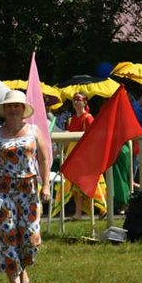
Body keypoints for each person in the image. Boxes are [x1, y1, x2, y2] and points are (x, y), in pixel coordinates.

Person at [0, 90, 51, 283]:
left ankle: (22, 268)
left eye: (17, 106)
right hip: (3, 190)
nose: (13, 109)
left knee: (30, 237)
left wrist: (45, 185)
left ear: (23, 110)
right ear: (4, 109)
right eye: (9, 106)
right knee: (6, 234)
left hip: (28, 190)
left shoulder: (34, 131)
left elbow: (44, 159)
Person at [56, 92, 106, 220]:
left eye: (79, 100)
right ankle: (78, 213)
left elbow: (94, 138)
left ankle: (101, 209)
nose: (77, 102)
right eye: (74, 100)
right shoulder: (71, 119)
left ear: (85, 102)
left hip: (86, 155)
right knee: (76, 186)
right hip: (74, 155)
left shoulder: (88, 118)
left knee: (92, 183)